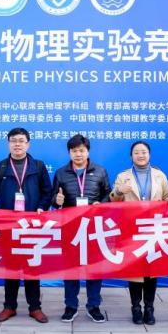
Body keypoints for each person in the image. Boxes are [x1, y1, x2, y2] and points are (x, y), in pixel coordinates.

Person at [0, 128, 52, 323]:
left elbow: (47, 192)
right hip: (8, 226)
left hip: (31, 226)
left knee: (32, 267)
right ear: (8, 143)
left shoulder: (38, 166)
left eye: (21, 140)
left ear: (28, 144)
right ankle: (9, 306)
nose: (17, 144)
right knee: (10, 267)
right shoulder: (0, 167)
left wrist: (42, 207)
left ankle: (35, 307)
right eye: (13, 141)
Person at [52, 134, 112, 323]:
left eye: (81, 150)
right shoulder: (61, 173)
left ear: (88, 151)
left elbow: (108, 194)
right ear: (69, 152)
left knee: (94, 269)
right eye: (74, 151)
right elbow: (54, 200)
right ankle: (70, 306)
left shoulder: (100, 171)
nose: (78, 154)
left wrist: (101, 204)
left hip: (93, 228)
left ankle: (94, 306)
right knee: (71, 270)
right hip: (70, 229)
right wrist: (57, 201)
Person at [110, 140, 168, 325]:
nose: (140, 155)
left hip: (154, 228)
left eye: (144, 152)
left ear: (149, 155)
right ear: (131, 156)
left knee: (152, 269)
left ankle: (149, 308)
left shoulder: (159, 175)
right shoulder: (123, 176)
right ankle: (136, 308)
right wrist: (119, 191)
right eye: (136, 152)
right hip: (132, 229)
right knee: (135, 270)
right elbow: (113, 201)